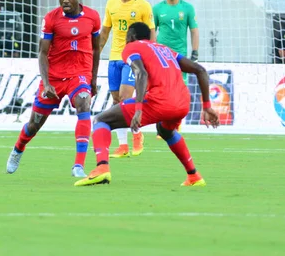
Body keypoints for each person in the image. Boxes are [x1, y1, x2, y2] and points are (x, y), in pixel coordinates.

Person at [74, 22, 219, 187]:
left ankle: (101, 168)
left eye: (127, 35)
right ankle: (194, 176)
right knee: (165, 130)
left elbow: (140, 72)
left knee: (101, 120)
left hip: (160, 101)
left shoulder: (132, 47)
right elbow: (200, 70)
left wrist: (138, 109)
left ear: (132, 36)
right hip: (182, 102)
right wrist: (207, 106)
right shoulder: (165, 49)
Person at [5, 0, 101, 178]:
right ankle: (18, 148)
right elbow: (42, 53)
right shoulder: (51, 19)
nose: (65, 0)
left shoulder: (92, 17)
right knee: (34, 124)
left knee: (84, 104)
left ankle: (78, 166)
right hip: (55, 78)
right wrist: (47, 83)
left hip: (79, 74)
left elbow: (95, 48)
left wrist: (92, 79)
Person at [99, 0, 156, 158]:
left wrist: (150, 55)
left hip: (133, 58)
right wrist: (95, 53)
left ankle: (137, 135)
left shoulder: (143, 6)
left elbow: (151, 33)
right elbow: (105, 31)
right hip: (114, 57)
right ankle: (122, 145)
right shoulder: (111, 4)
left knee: (125, 97)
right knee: (116, 101)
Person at [153, 0, 199, 85]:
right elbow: (152, 31)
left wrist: (195, 52)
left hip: (180, 53)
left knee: (181, 86)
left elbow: (194, 30)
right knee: (162, 84)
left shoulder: (188, 8)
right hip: (162, 54)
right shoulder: (157, 8)